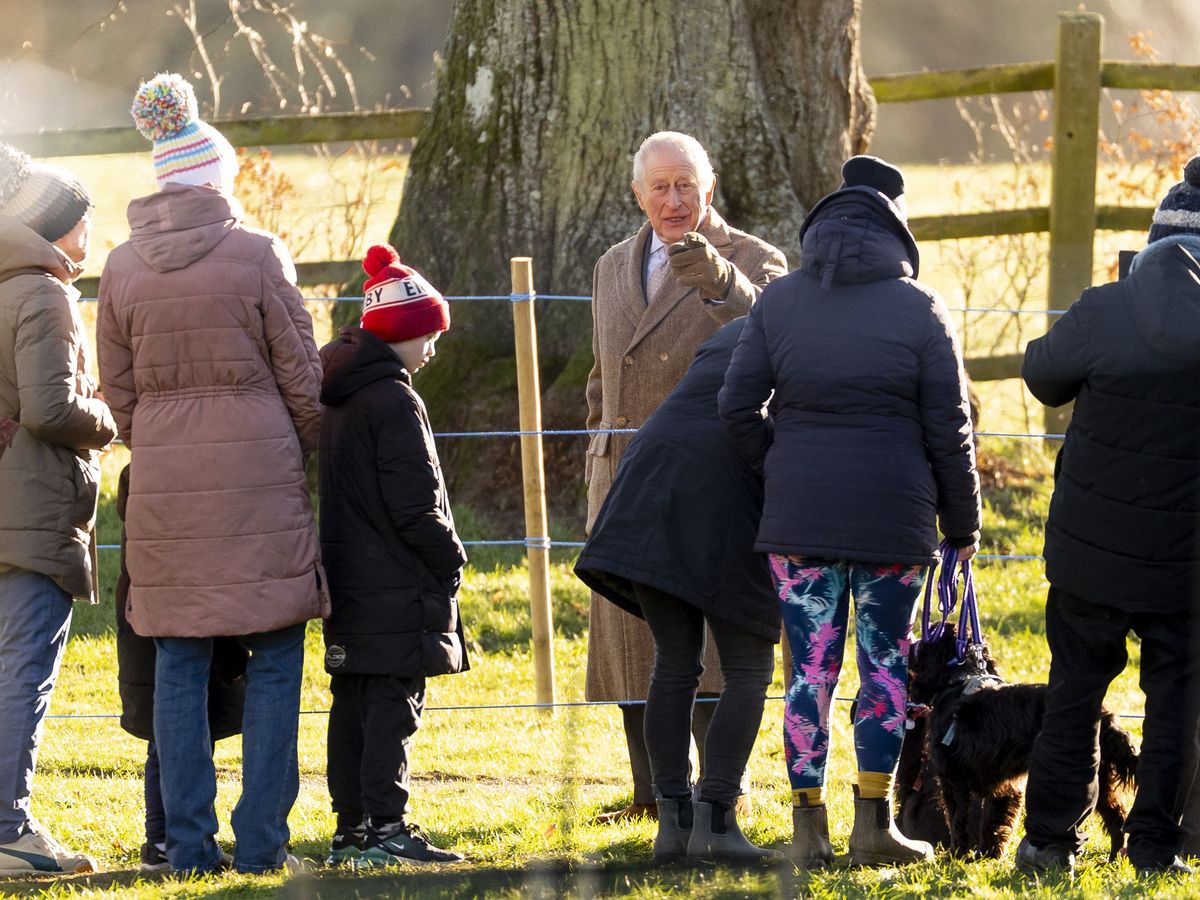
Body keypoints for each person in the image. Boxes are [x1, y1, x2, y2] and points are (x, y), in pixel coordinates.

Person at [719, 155, 981, 867]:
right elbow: (949, 429)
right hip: (893, 521)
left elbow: (735, 406)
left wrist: (779, 465)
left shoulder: (779, 300)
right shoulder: (920, 308)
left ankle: (808, 834)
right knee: (884, 668)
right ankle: (873, 828)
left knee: (809, 673)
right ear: (897, 232)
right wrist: (963, 525)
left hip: (799, 523)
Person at [97, 73, 325, 875]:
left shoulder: (121, 268)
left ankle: (187, 846)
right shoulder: (259, 254)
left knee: (179, 663)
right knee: (275, 660)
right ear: (219, 181)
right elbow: (302, 375)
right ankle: (263, 845)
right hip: (259, 473)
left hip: (162, 484)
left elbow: (117, 392)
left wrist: (157, 440)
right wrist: (293, 452)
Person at [584, 130, 787, 822]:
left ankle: (718, 792)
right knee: (633, 643)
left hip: (713, 485)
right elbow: (602, 371)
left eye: (686, 186)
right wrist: (599, 444)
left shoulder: (754, 258)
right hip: (625, 475)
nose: (674, 200)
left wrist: (722, 281)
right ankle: (651, 794)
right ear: (636, 192)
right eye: (659, 187)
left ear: (711, 187)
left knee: (715, 650)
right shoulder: (613, 263)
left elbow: (777, 333)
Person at [1014, 157, 1200, 877]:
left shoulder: (1104, 306)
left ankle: (1049, 843)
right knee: (1178, 704)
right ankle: (1155, 849)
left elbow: (1039, 374)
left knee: (1075, 693)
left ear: (1152, 240)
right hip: (1184, 561)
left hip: (1091, 553)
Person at [576, 317, 779, 861]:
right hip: (720, 489)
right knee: (749, 667)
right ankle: (716, 821)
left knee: (674, 662)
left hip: (649, 476)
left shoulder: (740, 325)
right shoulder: (816, 336)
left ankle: (674, 821)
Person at [317, 244, 469, 868]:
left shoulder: (342, 395)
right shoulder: (396, 400)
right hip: (397, 580)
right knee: (393, 705)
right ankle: (388, 824)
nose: (434, 346)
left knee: (353, 701)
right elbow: (416, 502)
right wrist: (449, 558)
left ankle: (351, 824)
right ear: (403, 332)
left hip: (349, 578)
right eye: (429, 333)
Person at [0, 143, 114, 876]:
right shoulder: (44, 293)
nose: (89, 233)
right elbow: (48, 408)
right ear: (56, 227)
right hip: (33, 508)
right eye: (82, 220)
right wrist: (103, 417)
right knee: (23, 672)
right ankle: (8, 830)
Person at [112, 464, 248, 873]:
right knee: (170, 739)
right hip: (171, 626)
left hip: (158, 626)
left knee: (175, 736)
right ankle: (162, 838)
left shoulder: (141, 478)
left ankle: (164, 837)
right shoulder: (172, 480)